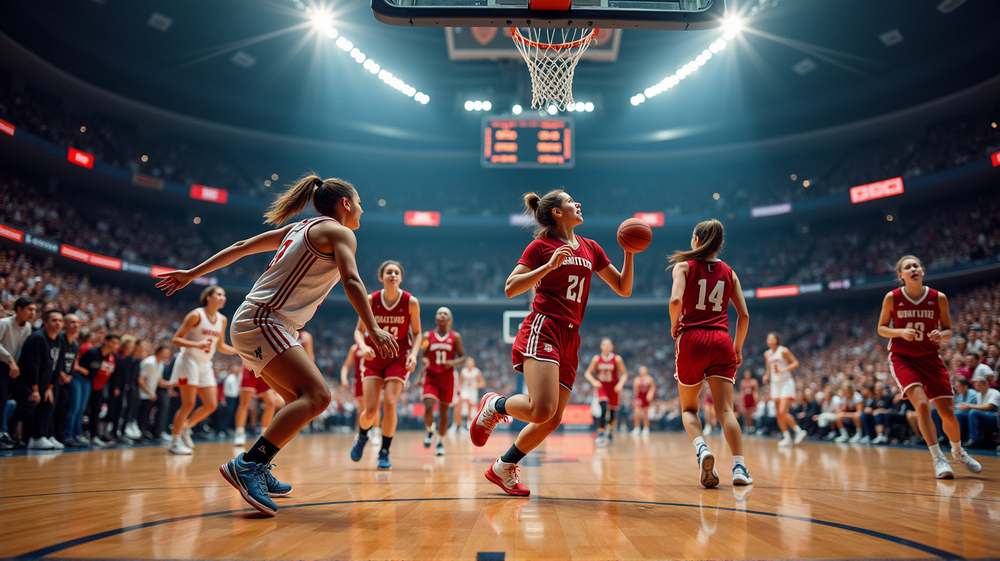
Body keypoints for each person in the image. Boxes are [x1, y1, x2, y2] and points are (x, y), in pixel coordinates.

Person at [156, 174, 398, 516]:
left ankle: (260, 465)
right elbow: (352, 280)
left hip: (258, 319)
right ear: (345, 204)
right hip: (265, 320)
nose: (362, 210)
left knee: (295, 403)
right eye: (359, 203)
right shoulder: (338, 232)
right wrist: (372, 327)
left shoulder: (299, 228)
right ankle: (249, 464)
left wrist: (192, 272)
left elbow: (241, 247)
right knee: (319, 397)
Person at [471, 190, 634, 496]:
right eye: (572, 201)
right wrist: (547, 268)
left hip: (571, 336)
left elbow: (623, 288)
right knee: (541, 408)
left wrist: (629, 251)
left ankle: (503, 467)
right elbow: (510, 288)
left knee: (553, 419)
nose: (578, 203)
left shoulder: (592, 248)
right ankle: (496, 404)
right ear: (558, 212)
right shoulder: (541, 246)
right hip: (544, 326)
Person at [877, 254, 981, 478]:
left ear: (922, 271)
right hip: (902, 358)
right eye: (908, 267)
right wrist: (900, 332)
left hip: (931, 358)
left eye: (916, 265)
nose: (913, 269)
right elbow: (882, 328)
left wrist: (940, 335)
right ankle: (938, 458)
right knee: (923, 406)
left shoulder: (938, 297)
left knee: (948, 413)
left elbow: (948, 331)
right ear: (901, 275)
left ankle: (958, 451)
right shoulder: (892, 297)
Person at [668, 219, 752, 488]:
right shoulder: (730, 272)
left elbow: (675, 301)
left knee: (689, 409)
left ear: (695, 240)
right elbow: (744, 315)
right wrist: (737, 347)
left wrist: (674, 324)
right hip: (722, 340)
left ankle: (702, 449)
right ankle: (739, 468)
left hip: (692, 339)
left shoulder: (683, 266)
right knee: (726, 410)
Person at [350, 260, 422, 470]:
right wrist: (363, 346)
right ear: (381, 277)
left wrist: (414, 355)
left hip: (398, 357)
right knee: (370, 411)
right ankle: (363, 435)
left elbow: (417, 334)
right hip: (373, 358)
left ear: (401, 277)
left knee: (390, 403)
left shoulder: (411, 302)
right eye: (388, 272)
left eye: (396, 272)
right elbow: (357, 330)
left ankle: (384, 451)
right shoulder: (371, 300)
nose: (393, 275)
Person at [165, 286, 238, 455]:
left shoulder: (222, 319)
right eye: (219, 294)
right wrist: (196, 344)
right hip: (188, 360)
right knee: (188, 404)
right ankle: (174, 443)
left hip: (205, 364)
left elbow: (220, 346)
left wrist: (239, 350)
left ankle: (185, 427)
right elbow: (176, 340)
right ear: (208, 298)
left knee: (211, 404)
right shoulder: (195, 315)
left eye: (224, 295)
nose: (223, 298)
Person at [12, 309, 64, 449]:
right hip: (25, 381)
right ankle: (12, 435)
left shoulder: (59, 340)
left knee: (48, 403)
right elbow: (31, 366)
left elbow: (57, 366)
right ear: (45, 323)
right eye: (54, 320)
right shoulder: (37, 338)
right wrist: (35, 389)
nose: (58, 323)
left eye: (60, 320)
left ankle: (39, 437)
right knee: (29, 404)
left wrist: (50, 388)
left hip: (44, 384)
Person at [416, 307, 465, 456]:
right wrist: (424, 360)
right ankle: (431, 431)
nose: (442, 315)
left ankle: (440, 442)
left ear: (449, 319)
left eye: (445, 313)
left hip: (447, 378)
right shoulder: (427, 336)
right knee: (429, 407)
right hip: (431, 377)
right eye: (439, 313)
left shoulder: (455, 336)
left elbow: (462, 357)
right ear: (436, 318)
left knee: (444, 414)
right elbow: (423, 356)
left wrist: (453, 363)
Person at [0, 296, 37, 449]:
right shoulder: (4, 323)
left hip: (15, 369)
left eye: (35, 310)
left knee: (29, 398)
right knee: (1, 400)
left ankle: (7, 430)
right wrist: (10, 359)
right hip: (2, 365)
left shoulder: (28, 327)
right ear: (19, 309)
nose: (33, 313)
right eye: (30, 309)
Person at [75, 333, 120, 446]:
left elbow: (112, 374)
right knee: (80, 410)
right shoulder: (92, 352)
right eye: (113, 342)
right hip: (85, 384)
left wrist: (114, 387)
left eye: (117, 343)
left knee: (95, 412)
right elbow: (80, 367)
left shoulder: (111, 357)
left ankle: (94, 436)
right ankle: (77, 434)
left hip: (98, 388)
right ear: (106, 341)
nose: (116, 345)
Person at [763, 333, 807, 446]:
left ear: (776, 340)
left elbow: (796, 363)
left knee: (783, 412)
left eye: (771, 338)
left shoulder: (783, 350)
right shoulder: (766, 354)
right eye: (768, 338)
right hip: (775, 384)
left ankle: (799, 431)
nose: (769, 340)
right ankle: (786, 436)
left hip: (785, 382)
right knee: (778, 414)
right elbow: (769, 369)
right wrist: (766, 376)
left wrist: (783, 369)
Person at [583, 338, 628, 446]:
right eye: (604, 344)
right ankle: (601, 434)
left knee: (613, 414)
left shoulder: (617, 359)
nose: (606, 347)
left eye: (608, 345)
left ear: (612, 347)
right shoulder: (596, 358)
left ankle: (610, 430)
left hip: (613, 388)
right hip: (602, 387)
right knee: (602, 409)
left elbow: (624, 374)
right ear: (601, 346)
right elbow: (587, 373)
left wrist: (620, 385)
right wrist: (594, 382)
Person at [233, 363, 283, 447]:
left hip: (266, 371)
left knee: (271, 403)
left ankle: (264, 435)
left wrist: (279, 392)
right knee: (245, 403)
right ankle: (239, 433)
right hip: (250, 369)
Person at [137, 346, 171, 440]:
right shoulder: (149, 362)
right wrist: (150, 392)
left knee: (147, 414)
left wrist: (174, 383)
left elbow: (160, 382)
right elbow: (141, 379)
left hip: (150, 394)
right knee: (142, 414)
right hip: (143, 394)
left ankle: (145, 433)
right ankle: (140, 433)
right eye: (166, 352)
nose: (168, 354)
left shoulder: (161, 364)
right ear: (159, 352)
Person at [958, 372, 999, 448]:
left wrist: (969, 405)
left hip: (995, 417)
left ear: (986, 384)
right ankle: (960, 439)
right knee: (961, 414)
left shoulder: (994, 392)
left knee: (974, 412)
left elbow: (989, 407)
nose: (977, 386)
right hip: (984, 416)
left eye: (979, 384)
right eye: (975, 384)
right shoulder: (979, 394)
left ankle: (974, 440)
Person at [457, 357, 485, 432]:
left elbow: (482, 383)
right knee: (462, 407)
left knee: (471, 410)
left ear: (473, 363)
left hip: (473, 392)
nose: (469, 364)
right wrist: (458, 389)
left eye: (471, 363)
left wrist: (475, 386)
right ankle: (460, 425)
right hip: (465, 391)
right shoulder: (463, 371)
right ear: (466, 364)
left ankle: (469, 424)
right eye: (468, 363)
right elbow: (460, 382)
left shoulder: (477, 372)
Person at [631, 366, 656, 436]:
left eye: (643, 371)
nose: (642, 372)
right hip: (639, 397)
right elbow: (635, 389)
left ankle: (646, 428)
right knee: (637, 413)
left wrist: (650, 394)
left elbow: (652, 387)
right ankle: (637, 428)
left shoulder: (650, 379)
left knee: (646, 413)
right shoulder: (637, 379)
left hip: (646, 397)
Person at [737, 370, 757, 434]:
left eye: (748, 374)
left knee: (750, 415)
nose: (747, 375)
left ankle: (751, 427)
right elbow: (742, 392)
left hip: (751, 399)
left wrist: (756, 400)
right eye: (746, 374)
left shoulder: (754, 381)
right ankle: (746, 427)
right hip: (745, 400)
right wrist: (740, 400)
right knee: (745, 415)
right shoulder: (743, 382)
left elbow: (755, 392)